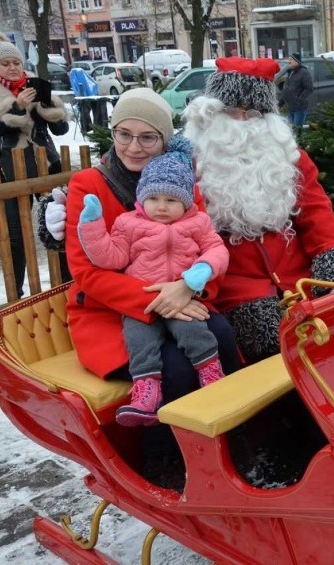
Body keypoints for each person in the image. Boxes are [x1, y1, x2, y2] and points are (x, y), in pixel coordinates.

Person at [54, 88, 239, 488]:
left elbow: (207, 246)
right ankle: (162, 461)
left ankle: (230, 441)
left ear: (164, 140)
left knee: (223, 334)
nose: (134, 147)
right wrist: (166, 298)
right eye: (124, 134)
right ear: (113, 133)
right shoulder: (89, 183)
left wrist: (189, 290)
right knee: (173, 365)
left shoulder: (180, 180)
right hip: (112, 311)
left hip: (182, 295)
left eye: (147, 137)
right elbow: (88, 272)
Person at [182, 56, 334, 363]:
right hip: (237, 289)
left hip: (299, 278)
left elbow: (317, 214)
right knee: (273, 347)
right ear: (213, 112)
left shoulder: (288, 158)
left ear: (267, 117)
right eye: (231, 112)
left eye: (251, 112)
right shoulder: (192, 165)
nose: (241, 121)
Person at [76, 136, 230, 426]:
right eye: (154, 199)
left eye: (171, 200)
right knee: (139, 341)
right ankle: (146, 392)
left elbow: (216, 249)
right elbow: (109, 258)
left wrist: (200, 272)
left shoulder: (196, 223)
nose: (161, 207)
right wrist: (93, 226)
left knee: (195, 332)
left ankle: (211, 373)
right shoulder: (129, 224)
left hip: (183, 296)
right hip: (143, 300)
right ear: (142, 199)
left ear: (185, 203)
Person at [0, 31, 69, 297]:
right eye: (5, 64)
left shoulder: (35, 85)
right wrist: (17, 107)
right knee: (15, 236)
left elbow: (62, 129)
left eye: (16, 62)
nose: (13, 67)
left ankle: (66, 282)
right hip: (11, 167)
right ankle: (15, 294)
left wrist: (49, 106)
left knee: (60, 224)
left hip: (46, 161)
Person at [280, 53, 313, 138]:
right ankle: (294, 146)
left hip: (299, 107)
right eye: (289, 59)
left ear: (297, 61)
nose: (289, 61)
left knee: (297, 130)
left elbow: (309, 88)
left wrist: (299, 99)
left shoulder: (304, 72)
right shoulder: (290, 73)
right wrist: (281, 102)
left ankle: (299, 147)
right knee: (291, 130)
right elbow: (286, 89)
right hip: (291, 107)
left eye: (291, 59)